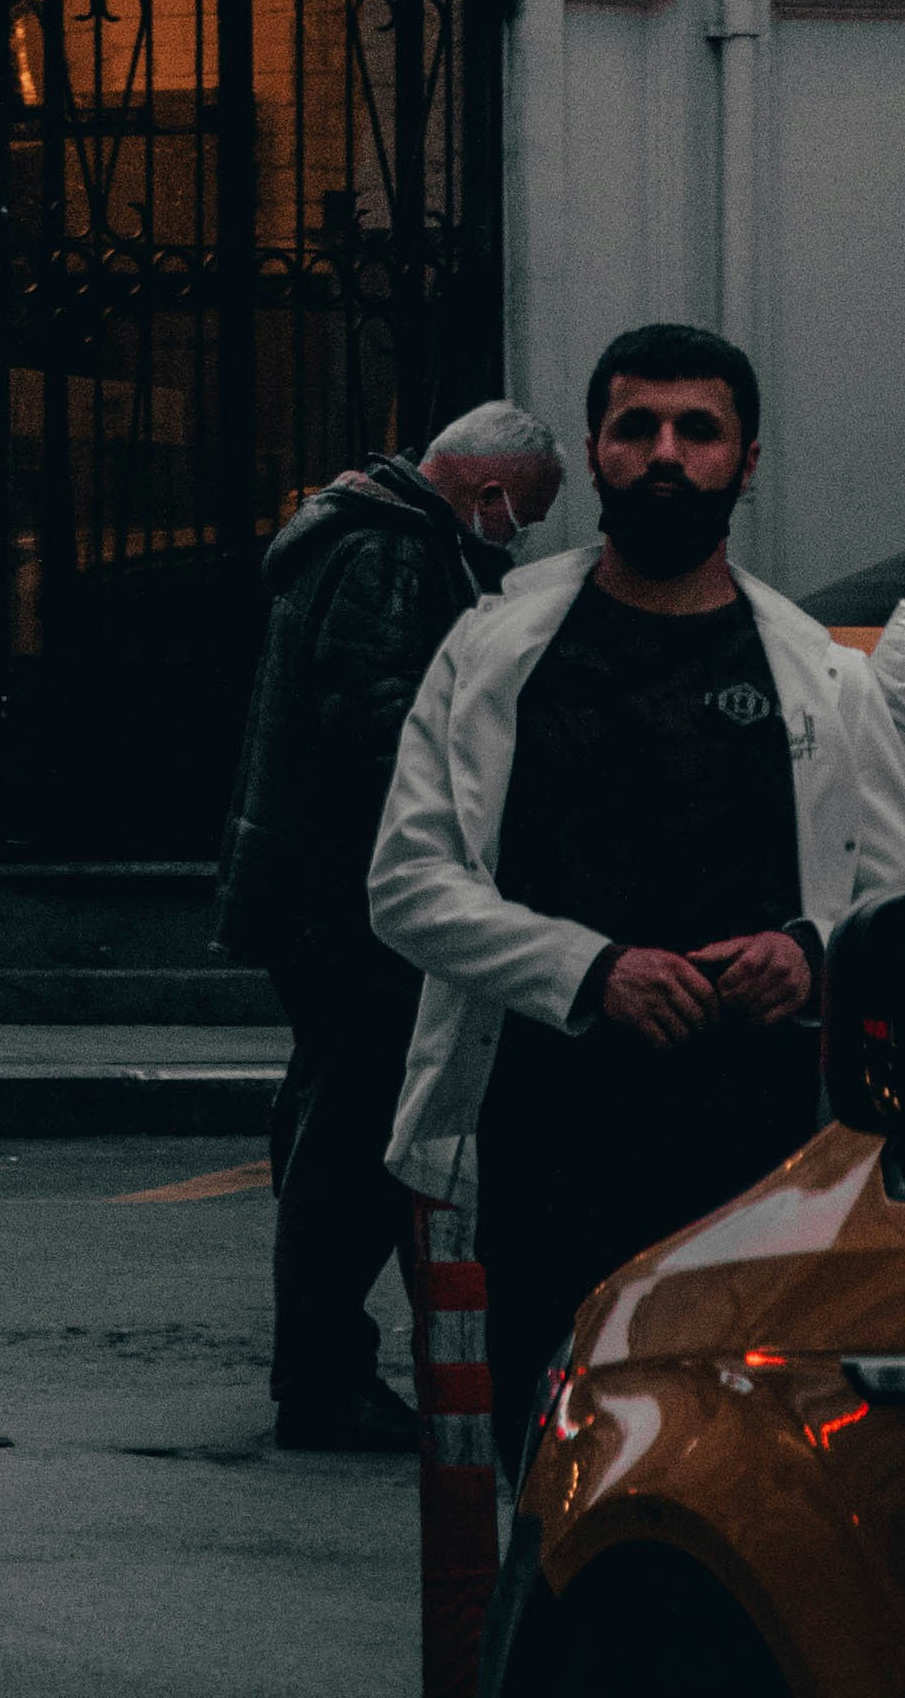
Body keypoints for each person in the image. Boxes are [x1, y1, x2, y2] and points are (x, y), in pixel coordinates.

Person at [370, 322, 905, 1484]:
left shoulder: (825, 678)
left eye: (699, 430)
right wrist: (591, 972)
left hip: (760, 1161)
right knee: (549, 1465)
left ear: (749, 458)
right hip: (546, 1143)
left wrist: (809, 952)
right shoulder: (494, 654)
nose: (666, 453)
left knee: (744, 1473)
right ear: (594, 451)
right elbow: (408, 885)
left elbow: (900, 902)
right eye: (638, 428)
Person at [216, 395, 565, 1451]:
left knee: (352, 1119)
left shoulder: (371, 538)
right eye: (522, 516)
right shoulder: (389, 556)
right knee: (367, 1135)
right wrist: (458, 853)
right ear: (488, 490)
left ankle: (383, 1363)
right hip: (351, 895)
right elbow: (384, 726)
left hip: (318, 890)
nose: (519, 538)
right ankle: (324, 1379)